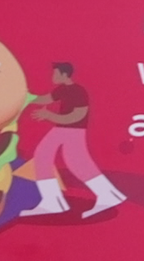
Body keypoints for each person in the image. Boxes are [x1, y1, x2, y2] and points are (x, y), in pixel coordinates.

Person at [19, 63, 125, 218]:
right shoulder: (62, 89)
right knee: (49, 158)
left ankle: (56, 201)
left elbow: (77, 116)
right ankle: (55, 201)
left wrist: (50, 116)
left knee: (63, 160)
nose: (53, 77)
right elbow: (46, 99)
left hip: (73, 130)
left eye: (55, 73)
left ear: (64, 74)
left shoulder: (79, 91)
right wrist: (27, 97)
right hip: (63, 129)